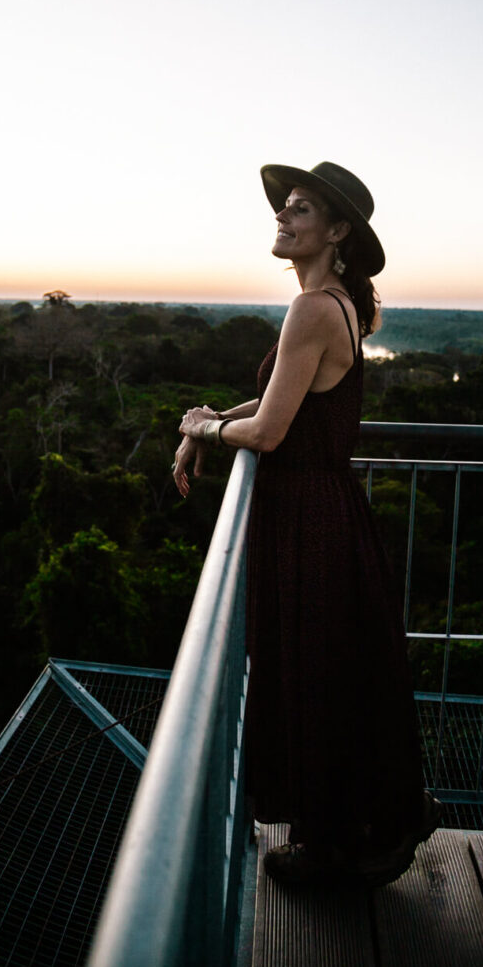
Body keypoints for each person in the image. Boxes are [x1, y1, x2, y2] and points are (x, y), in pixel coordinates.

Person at [173, 161, 440, 887]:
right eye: (281, 210)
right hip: (327, 510)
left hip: (307, 518)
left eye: (297, 210)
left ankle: (333, 846)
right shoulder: (342, 306)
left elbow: (267, 434)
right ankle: (369, 820)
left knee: (313, 675)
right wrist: (211, 423)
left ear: (337, 230)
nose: (281, 220)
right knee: (336, 671)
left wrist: (206, 429)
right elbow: (277, 407)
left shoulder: (314, 308)